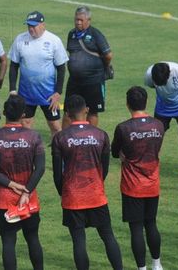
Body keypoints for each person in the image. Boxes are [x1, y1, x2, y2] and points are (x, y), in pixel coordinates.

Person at [52, 94, 123, 270]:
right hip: (96, 195)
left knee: (78, 240)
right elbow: (104, 168)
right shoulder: (101, 135)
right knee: (108, 236)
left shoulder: (60, 138)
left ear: (67, 113)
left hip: (72, 197)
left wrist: (64, 190)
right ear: (87, 110)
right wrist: (97, 182)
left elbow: (56, 172)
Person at [0, 94, 45, 270]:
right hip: (29, 198)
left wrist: (10, 184)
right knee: (33, 238)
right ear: (23, 114)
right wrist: (26, 191)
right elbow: (39, 168)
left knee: (8, 242)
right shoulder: (34, 136)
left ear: (3, 112)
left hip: (4, 199)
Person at [111, 86, 165, 270]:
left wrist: (123, 154)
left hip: (132, 186)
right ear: (146, 102)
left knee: (136, 228)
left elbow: (115, 152)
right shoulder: (158, 125)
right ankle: (157, 265)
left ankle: (141, 268)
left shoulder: (123, 128)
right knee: (151, 223)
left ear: (128, 104)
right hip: (152, 184)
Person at [9, 11, 69, 135]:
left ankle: (58, 153)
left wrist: (58, 92)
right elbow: (14, 66)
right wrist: (12, 90)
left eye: (33, 26)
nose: (31, 29)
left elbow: (61, 68)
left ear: (43, 25)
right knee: (25, 125)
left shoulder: (53, 41)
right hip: (26, 94)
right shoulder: (20, 39)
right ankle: (27, 152)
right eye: (28, 26)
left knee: (55, 126)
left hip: (48, 95)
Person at [144, 61, 178, 181]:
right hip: (162, 109)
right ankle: (153, 166)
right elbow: (149, 84)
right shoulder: (149, 74)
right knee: (156, 136)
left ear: (169, 75)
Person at [65, 6, 113, 127]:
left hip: (93, 81)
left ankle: (91, 135)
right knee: (68, 110)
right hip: (74, 81)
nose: (78, 22)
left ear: (88, 20)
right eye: (76, 19)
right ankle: (65, 137)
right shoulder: (71, 34)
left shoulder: (96, 34)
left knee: (92, 111)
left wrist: (104, 67)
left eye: (81, 20)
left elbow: (108, 55)